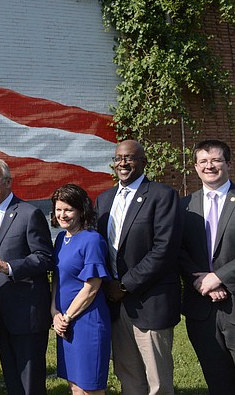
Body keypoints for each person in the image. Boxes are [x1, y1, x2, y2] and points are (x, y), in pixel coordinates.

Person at [95, 140, 180, 395]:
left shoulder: (162, 196)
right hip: (115, 303)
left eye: (130, 158)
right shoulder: (104, 199)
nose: (123, 163)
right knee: (128, 375)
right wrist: (108, 285)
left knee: (158, 381)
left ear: (143, 162)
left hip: (149, 301)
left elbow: (164, 250)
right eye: (119, 158)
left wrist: (124, 284)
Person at [0, 157, 53, 395]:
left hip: (27, 314)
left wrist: (9, 266)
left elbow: (44, 257)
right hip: (1, 314)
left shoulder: (29, 214)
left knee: (30, 383)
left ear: (8, 182)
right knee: (12, 380)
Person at [179, 139, 235, 393]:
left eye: (215, 160)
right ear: (195, 166)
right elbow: (176, 251)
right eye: (203, 161)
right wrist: (200, 281)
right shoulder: (184, 206)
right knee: (217, 381)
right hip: (201, 310)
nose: (209, 166)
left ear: (228, 163)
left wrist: (219, 277)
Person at [50, 184, 111, 395]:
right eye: (58, 209)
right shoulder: (60, 239)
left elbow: (92, 287)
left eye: (68, 209)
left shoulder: (92, 240)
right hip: (65, 324)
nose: (62, 214)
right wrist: (54, 313)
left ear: (81, 210)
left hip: (87, 323)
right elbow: (57, 279)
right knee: (74, 384)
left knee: (90, 387)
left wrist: (66, 316)